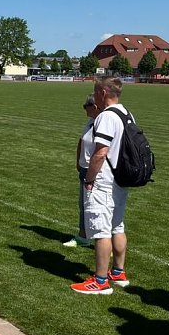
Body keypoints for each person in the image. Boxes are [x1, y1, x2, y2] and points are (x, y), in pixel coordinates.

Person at [71, 77, 133, 295]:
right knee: (117, 226)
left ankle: (100, 281)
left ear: (103, 93)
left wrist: (89, 179)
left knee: (101, 230)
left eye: (96, 91)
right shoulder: (126, 113)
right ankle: (118, 272)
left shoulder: (106, 116)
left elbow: (100, 152)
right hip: (120, 180)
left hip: (104, 180)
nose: (94, 96)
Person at [63, 95, 101, 247]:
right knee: (83, 205)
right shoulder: (90, 122)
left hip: (97, 171)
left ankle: (105, 242)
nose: (84, 109)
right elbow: (82, 140)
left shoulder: (102, 123)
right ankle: (83, 236)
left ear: (94, 107)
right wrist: (79, 161)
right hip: (85, 169)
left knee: (98, 208)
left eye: (86, 106)